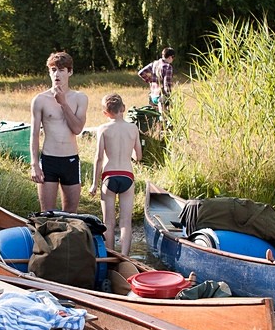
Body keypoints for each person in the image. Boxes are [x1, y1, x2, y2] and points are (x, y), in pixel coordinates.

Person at [29, 51, 88, 212]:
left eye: (61, 70)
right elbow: (34, 134)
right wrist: (34, 164)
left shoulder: (80, 98)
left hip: (70, 160)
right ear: (49, 72)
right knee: (47, 214)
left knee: (70, 215)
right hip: (49, 160)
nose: (57, 74)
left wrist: (63, 103)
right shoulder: (40, 100)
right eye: (53, 70)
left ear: (70, 72)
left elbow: (77, 129)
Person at [89, 92, 143, 252]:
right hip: (127, 176)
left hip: (109, 176)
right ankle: (125, 256)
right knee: (126, 222)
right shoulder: (133, 128)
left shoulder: (103, 129)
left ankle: (110, 255)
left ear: (105, 113)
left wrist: (94, 184)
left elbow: (99, 158)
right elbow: (138, 156)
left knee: (108, 223)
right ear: (123, 108)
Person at [139, 47, 175, 119]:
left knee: (155, 119)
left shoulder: (154, 64)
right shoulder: (168, 67)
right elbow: (167, 84)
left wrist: (150, 80)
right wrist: (169, 98)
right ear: (170, 57)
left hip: (153, 96)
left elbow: (141, 72)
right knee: (164, 119)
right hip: (161, 96)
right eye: (173, 57)